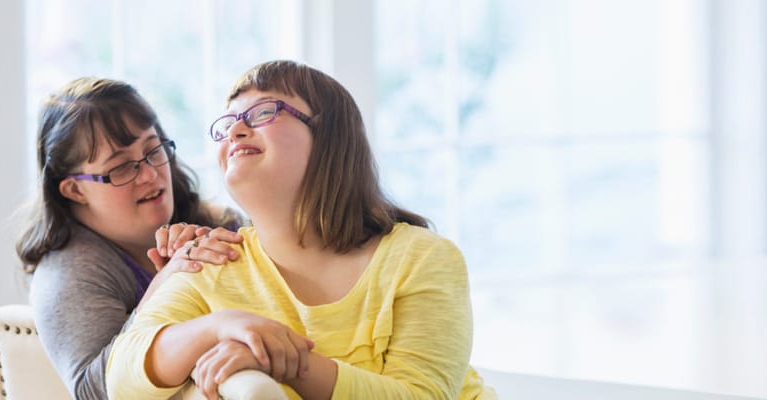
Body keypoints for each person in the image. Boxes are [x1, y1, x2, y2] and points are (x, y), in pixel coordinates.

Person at [106, 60, 497, 399]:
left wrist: (286, 364)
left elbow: (420, 396)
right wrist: (220, 326)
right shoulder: (213, 259)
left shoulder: (421, 257)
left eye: (261, 113)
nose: (235, 132)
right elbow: (121, 382)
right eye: (227, 123)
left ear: (331, 139)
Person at [16, 77, 246, 400]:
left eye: (153, 150)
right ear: (74, 189)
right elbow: (93, 391)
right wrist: (165, 284)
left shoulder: (221, 223)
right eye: (122, 168)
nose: (151, 174)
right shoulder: (69, 273)